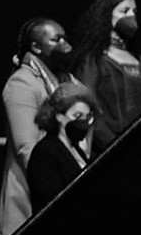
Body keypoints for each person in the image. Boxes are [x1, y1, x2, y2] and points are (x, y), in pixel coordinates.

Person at [0, 17, 71, 235]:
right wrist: (53, 187)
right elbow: (26, 147)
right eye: (56, 39)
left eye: (65, 39)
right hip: (35, 193)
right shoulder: (22, 83)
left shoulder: (65, 80)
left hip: (62, 189)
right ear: (36, 47)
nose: (65, 45)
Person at [72, 0, 141, 151]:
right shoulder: (94, 59)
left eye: (134, 11)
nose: (131, 16)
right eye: (124, 11)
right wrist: (113, 145)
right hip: (110, 149)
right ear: (106, 16)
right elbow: (88, 107)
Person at [25, 81, 98, 212]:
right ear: (59, 116)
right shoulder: (44, 152)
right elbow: (51, 199)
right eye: (77, 116)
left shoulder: (76, 149)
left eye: (88, 117)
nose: (84, 122)